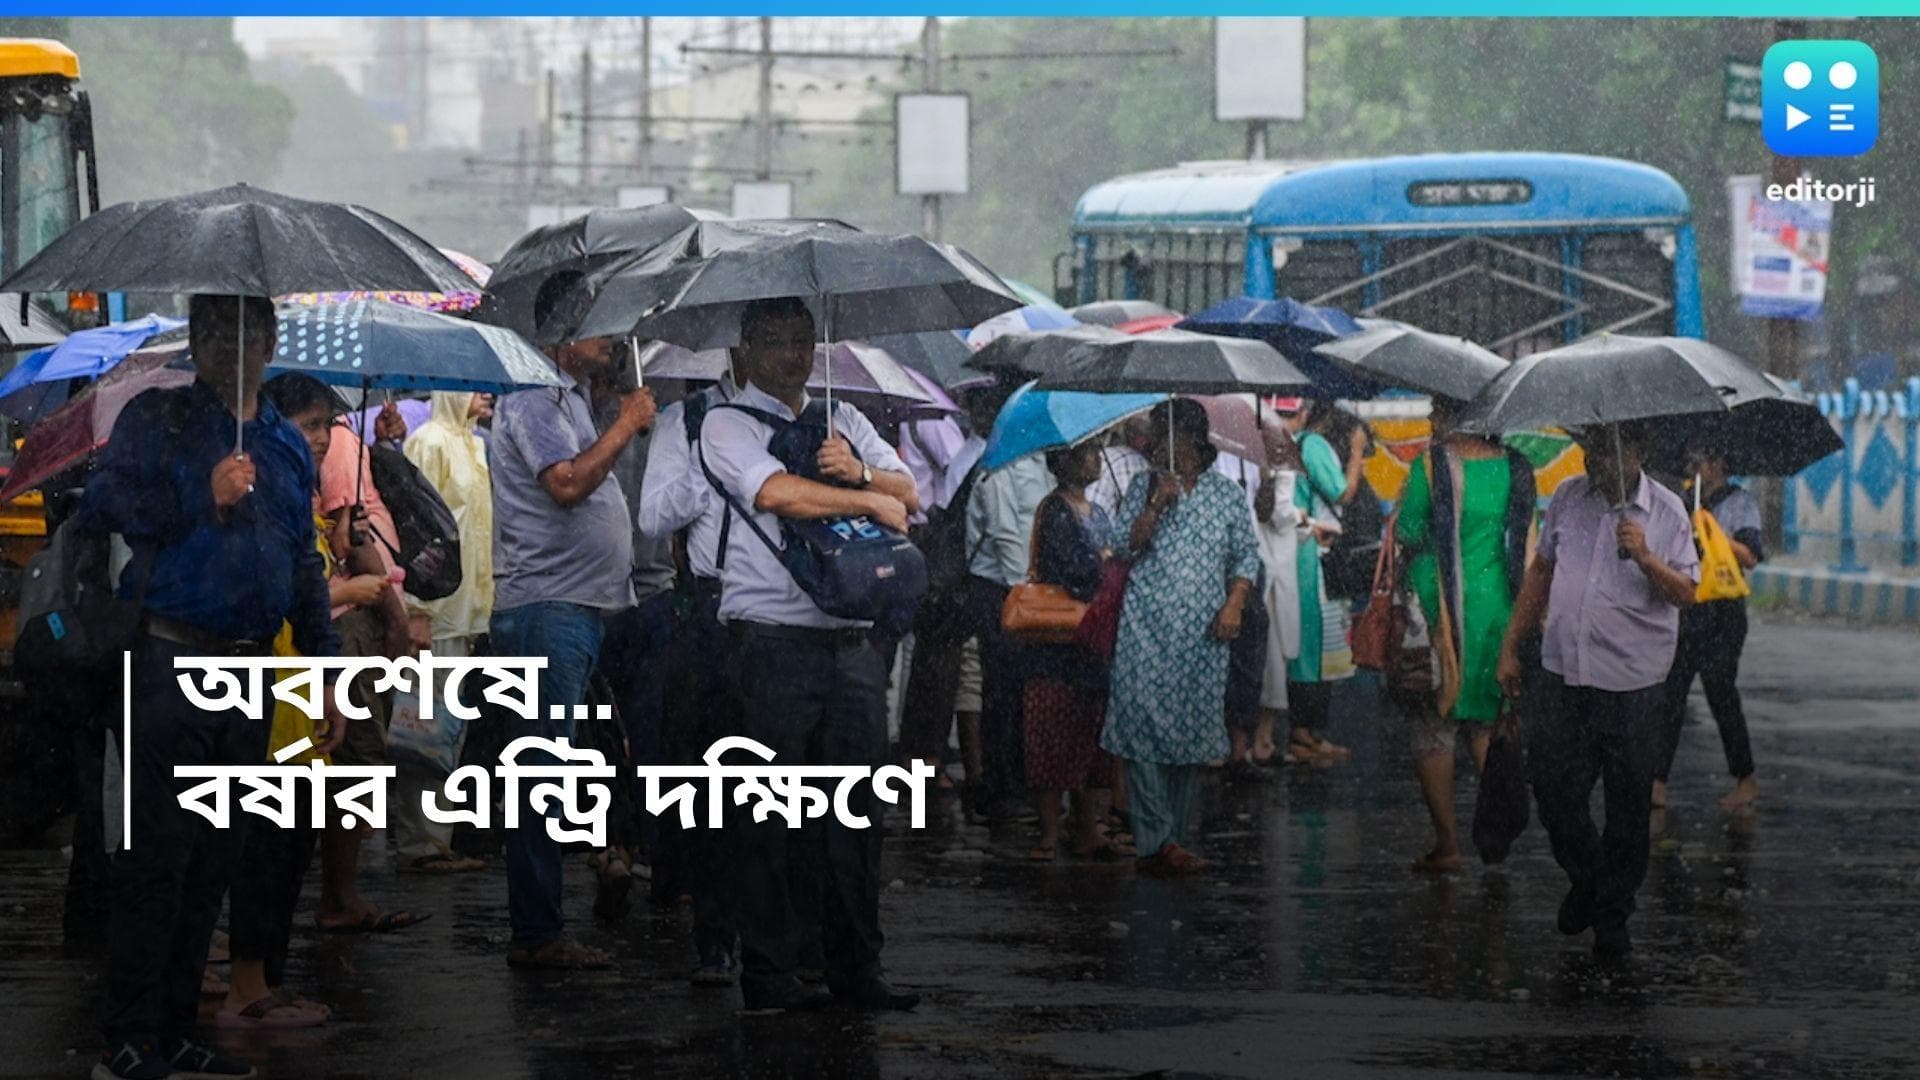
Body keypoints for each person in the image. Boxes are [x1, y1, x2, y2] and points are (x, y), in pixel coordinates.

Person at [80, 295, 347, 1080]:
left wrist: (327, 672)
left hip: (252, 671)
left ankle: (178, 1033)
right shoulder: (158, 419)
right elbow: (105, 506)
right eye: (215, 332)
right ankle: (127, 1040)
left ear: (270, 341)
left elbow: (302, 563)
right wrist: (205, 492)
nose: (234, 346)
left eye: (249, 332)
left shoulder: (285, 445)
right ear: (196, 341)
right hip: (170, 664)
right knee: (158, 860)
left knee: (213, 865)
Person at [699, 295, 922, 1012]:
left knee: (854, 814)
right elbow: (775, 492)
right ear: (747, 348)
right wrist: (864, 502)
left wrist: (859, 476)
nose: (796, 356)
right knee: (767, 817)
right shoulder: (726, 423)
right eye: (778, 342)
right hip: (769, 640)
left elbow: (907, 492)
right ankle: (768, 975)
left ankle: (856, 969)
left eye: (805, 340)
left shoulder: (843, 420)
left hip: (849, 640)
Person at [488, 275, 657, 970]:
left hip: (575, 609)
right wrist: (625, 424)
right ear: (559, 334)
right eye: (601, 324)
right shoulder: (533, 398)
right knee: (537, 774)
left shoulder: (572, 401)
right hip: (544, 611)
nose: (615, 339)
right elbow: (565, 484)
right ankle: (537, 933)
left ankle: (545, 922)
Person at [1498, 422, 1698, 960]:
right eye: (1589, 449)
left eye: (1606, 451)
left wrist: (1647, 557)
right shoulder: (1567, 497)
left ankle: (1613, 917)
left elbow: (1686, 593)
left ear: (1638, 450)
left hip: (1633, 683)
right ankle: (1589, 880)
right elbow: (1541, 574)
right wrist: (1511, 645)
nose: (1594, 461)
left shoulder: (1667, 512)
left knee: (1628, 807)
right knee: (1554, 790)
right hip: (1564, 671)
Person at [1101, 399, 1261, 877]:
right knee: (1142, 727)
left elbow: (1245, 556)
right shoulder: (1142, 486)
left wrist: (1234, 603)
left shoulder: (1227, 495)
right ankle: (1157, 840)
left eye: (1163, 434)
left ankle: (1171, 836)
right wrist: (1155, 503)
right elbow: (1125, 545)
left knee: (1189, 732)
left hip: (1203, 634)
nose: (1153, 443)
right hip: (1146, 627)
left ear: (1189, 439)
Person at [1394, 396, 1536, 874]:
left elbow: (1410, 530)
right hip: (1499, 610)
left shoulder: (1432, 467)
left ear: (1459, 415)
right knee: (1484, 723)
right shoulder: (1518, 467)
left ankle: (1448, 844)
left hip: (1440, 611)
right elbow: (1525, 541)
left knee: (1433, 726)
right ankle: (1495, 834)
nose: (1431, 419)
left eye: (1438, 410)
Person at [639, 371, 743, 983]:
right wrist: (709, 471)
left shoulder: (821, 419)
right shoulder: (689, 420)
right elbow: (653, 516)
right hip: (710, 609)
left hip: (788, 614)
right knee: (714, 783)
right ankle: (716, 935)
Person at [312, 393, 428, 935]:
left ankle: (341, 891)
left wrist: (384, 446)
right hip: (354, 615)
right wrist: (397, 619)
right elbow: (351, 538)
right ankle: (340, 895)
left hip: (357, 612)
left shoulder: (344, 439)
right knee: (358, 758)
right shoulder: (333, 441)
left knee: (355, 760)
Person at [591, 356, 680, 913]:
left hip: (620, 594)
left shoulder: (587, 419)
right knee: (646, 732)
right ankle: (640, 846)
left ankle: (619, 844)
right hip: (632, 594)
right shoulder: (650, 422)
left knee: (607, 733)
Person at [393, 390, 494, 873]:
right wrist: (416, 609)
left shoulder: (475, 445)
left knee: (445, 729)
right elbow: (413, 532)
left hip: (468, 612)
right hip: (436, 612)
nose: (486, 394)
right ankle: (420, 844)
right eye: (474, 389)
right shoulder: (429, 443)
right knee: (423, 726)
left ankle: (438, 837)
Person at [896, 383, 1005, 808]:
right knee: (940, 677)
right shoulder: (970, 458)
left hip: (948, 578)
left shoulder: (970, 454)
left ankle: (923, 761)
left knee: (938, 675)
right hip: (954, 582)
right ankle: (924, 763)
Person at [1021, 441, 1128, 860]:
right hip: (1056, 647)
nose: (1096, 458)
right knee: (1051, 736)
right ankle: (1049, 831)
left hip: (1091, 644)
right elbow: (1075, 570)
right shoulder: (1054, 511)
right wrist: (1107, 563)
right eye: (1087, 452)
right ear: (1064, 462)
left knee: (1087, 736)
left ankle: (1087, 827)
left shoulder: (1098, 512)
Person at [1654, 439, 1764, 811]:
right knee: (1671, 696)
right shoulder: (1682, 502)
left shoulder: (1740, 502)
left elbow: (1750, 557)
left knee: (1721, 693)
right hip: (1688, 608)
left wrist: (1713, 531)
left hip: (1724, 613)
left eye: (1699, 460)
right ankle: (1657, 782)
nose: (1693, 467)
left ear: (1718, 464)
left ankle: (1745, 778)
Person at [964, 426, 1055, 823]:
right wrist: (1026, 593)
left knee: (1021, 686)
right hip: (999, 589)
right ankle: (1000, 784)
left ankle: (1019, 777)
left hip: (1024, 588)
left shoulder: (1041, 466)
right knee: (1001, 687)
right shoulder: (1000, 464)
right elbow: (1004, 534)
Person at [1277, 400, 1354, 764]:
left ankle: (1297, 732)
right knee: (1313, 645)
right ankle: (1303, 734)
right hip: (1309, 555)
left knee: (1296, 642)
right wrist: (1357, 454)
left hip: (1288, 549)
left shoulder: (1276, 445)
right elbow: (1343, 492)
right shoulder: (1313, 445)